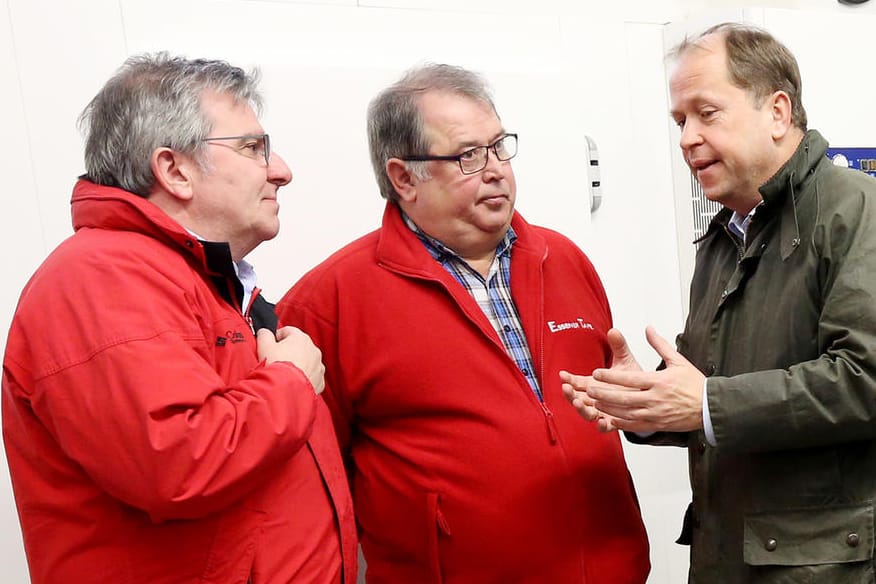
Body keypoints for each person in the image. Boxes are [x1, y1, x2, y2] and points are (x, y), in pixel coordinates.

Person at [275, 63, 650, 583]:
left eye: (499, 147)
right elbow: (308, 484)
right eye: (468, 156)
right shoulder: (330, 301)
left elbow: (606, 409)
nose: (495, 169)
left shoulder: (563, 258)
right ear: (404, 177)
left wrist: (644, 406)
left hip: (612, 571)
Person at [2, 53, 357, 583]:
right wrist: (291, 379)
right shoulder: (100, 279)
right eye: (253, 148)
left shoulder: (201, 280)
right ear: (174, 170)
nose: (281, 170)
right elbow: (179, 463)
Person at [561, 22, 876, 583]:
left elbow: (864, 379)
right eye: (680, 120)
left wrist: (706, 404)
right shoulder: (725, 237)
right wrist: (644, 402)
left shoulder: (856, 211)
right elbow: (704, 385)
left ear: (778, 113)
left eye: (707, 113)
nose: (685, 138)